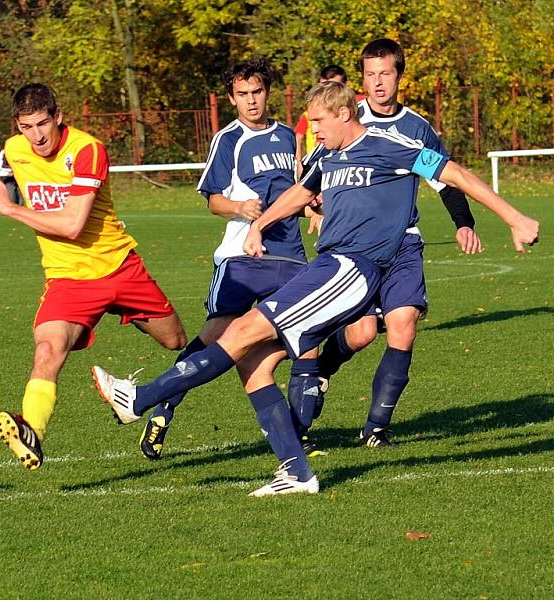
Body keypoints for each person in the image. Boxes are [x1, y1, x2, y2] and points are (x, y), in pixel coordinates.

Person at [92, 81, 539, 495]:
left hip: (353, 268)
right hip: (328, 264)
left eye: (319, 122)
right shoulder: (327, 157)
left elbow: (454, 173)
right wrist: (261, 223)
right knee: (253, 363)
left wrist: (514, 218)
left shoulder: (391, 146)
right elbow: (301, 194)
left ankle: (140, 399)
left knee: (244, 331)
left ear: (344, 114)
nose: (313, 130)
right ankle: (297, 471)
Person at [0, 83, 187, 470]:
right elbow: (17, 175)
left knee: (176, 341)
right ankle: (32, 433)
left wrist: (9, 210)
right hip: (68, 278)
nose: (37, 136)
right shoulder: (13, 150)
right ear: (17, 126)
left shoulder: (88, 150)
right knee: (47, 349)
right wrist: (8, 189)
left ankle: (136, 395)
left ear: (58, 117)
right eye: (27, 126)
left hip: (119, 268)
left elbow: (74, 224)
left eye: (43, 123)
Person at [138, 57, 322, 461]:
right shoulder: (228, 139)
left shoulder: (290, 136)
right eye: (243, 94)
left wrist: (315, 209)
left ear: (267, 93)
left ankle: (299, 432)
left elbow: (300, 187)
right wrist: (239, 207)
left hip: (290, 257)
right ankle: (164, 407)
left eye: (257, 92)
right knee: (216, 336)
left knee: (307, 336)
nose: (251, 101)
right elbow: (213, 201)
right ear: (231, 98)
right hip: (241, 259)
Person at [310, 38, 482, 448]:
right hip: (355, 247)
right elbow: (314, 175)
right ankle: (321, 371)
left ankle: (375, 428)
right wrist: (315, 208)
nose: (378, 83)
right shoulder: (345, 118)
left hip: (403, 241)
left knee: (403, 327)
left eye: (385, 73)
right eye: (370, 75)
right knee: (362, 333)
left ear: (399, 75)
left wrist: (463, 222)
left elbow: (444, 176)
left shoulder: (417, 127)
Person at [294, 65, 363, 167]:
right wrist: (298, 161)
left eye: (334, 87)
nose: (314, 130)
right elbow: (298, 136)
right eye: (323, 86)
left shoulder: (363, 105)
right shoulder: (309, 113)